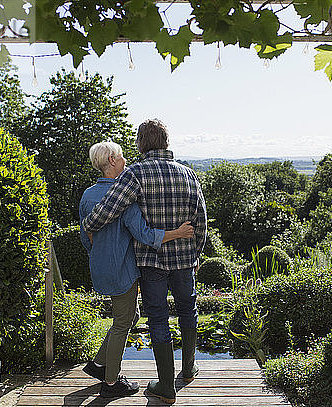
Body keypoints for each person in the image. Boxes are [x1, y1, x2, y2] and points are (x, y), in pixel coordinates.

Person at [82, 120, 207, 403]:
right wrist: (196, 252)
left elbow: (106, 211)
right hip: (185, 260)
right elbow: (201, 220)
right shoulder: (188, 174)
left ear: (140, 144)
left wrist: (89, 223)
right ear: (166, 141)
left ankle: (166, 386)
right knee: (189, 309)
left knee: (158, 317)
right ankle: (188, 370)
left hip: (152, 262)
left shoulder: (135, 174)